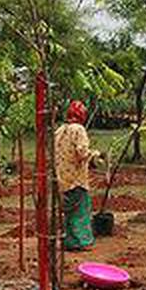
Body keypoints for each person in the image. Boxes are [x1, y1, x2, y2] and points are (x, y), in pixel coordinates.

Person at [54, 100, 101, 251]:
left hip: (61, 178)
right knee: (80, 210)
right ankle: (82, 241)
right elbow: (81, 153)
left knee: (68, 212)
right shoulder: (78, 129)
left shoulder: (60, 130)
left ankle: (69, 240)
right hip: (76, 178)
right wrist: (94, 154)